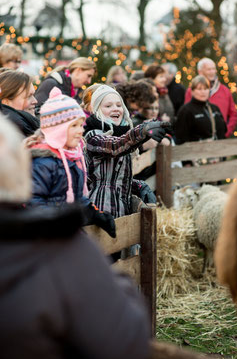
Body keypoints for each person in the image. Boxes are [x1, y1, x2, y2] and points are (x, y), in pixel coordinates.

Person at [0, 115, 150, 359]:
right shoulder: (63, 251)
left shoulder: (72, 157)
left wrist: (93, 211)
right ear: (19, 170)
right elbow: (124, 343)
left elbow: (81, 195)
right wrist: (116, 282)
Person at [27, 86, 116, 238]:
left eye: (81, 125)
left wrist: (95, 213)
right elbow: (33, 203)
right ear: (57, 129)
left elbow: (76, 198)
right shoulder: (42, 162)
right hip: (47, 237)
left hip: (68, 232)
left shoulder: (72, 158)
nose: (81, 131)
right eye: (74, 126)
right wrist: (60, 223)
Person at [84, 84, 170, 218]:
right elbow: (115, 147)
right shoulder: (93, 136)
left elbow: (115, 177)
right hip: (101, 209)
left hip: (122, 209)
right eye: (108, 106)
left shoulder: (123, 136)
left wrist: (138, 186)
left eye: (119, 105)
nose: (115, 109)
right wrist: (143, 130)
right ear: (97, 110)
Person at [184, 58, 237, 137]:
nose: (212, 72)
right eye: (209, 69)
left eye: (213, 69)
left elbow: (233, 114)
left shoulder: (225, 90)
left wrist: (226, 132)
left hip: (220, 139)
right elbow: (186, 115)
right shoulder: (191, 91)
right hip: (198, 141)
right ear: (200, 72)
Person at [175, 75, 226, 144]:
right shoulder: (186, 110)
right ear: (192, 91)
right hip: (198, 152)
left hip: (219, 151)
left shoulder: (215, 108)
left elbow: (224, 131)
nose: (203, 92)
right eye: (199, 89)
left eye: (205, 89)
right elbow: (181, 138)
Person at [0, 70, 39, 136]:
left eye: (33, 95)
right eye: (28, 96)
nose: (35, 101)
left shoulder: (24, 127)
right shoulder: (11, 134)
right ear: (6, 102)